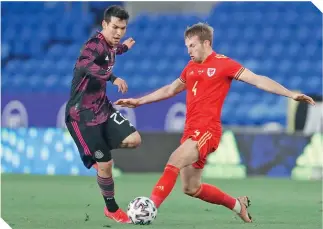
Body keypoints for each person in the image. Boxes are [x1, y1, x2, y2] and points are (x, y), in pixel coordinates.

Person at [114, 23, 315, 223]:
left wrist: (290, 94)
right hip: (190, 131)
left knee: (173, 161)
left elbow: (257, 79)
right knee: (191, 188)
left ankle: (148, 209)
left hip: (207, 131)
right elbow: (170, 89)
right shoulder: (191, 67)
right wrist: (139, 101)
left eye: (192, 45)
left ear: (206, 43)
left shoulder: (223, 64)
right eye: (187, 47)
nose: (189, 51)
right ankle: (238, 205)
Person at [65, 5, 140, 224]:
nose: (118, 33)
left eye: (123, 28)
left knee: (134, 139)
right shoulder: (94, 44)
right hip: (82, 116)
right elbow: (84, 64)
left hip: (103, 108)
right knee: (106, 165)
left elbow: (112, 53)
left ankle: (98, 155)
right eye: (115, 27)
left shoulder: (110, 46)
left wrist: (124, 48)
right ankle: (112, 208)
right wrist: (113, 78)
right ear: (104, 24)